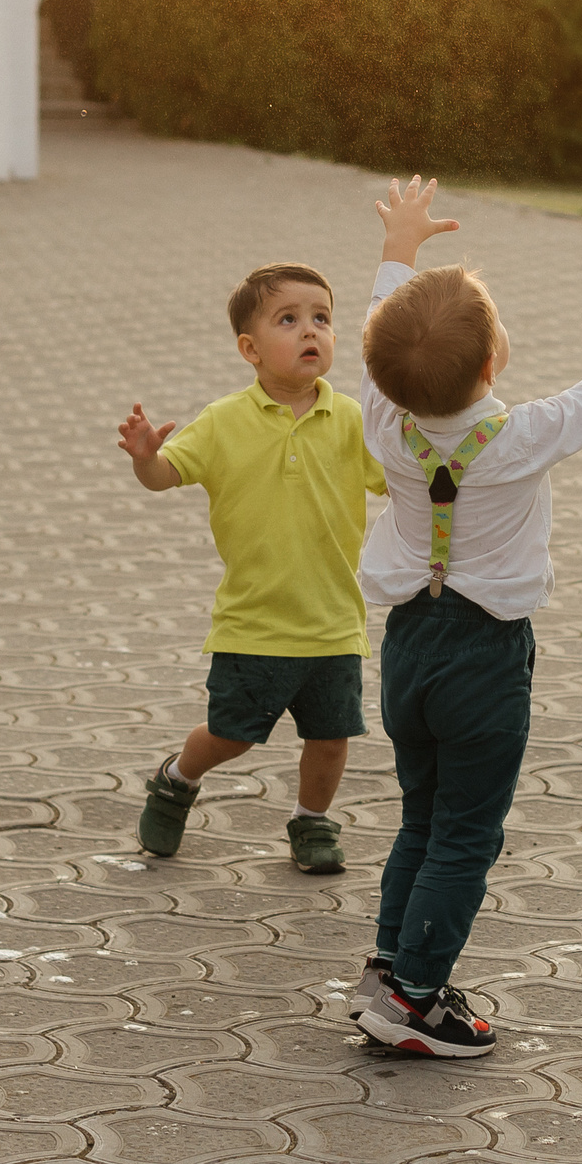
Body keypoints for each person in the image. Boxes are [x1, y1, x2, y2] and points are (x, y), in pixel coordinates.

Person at [351, 176, 582, 1056]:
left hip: (407, 646)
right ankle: (416, 998)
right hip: (482, 657)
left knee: (420, 814)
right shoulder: (517, 437)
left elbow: (377, 327)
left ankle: (389, 967)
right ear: (490, 365)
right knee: (465, 832)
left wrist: (399, 249)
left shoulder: (379, 419)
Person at [114, 262, 386, 875]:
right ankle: (177, 779)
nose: (310, 330)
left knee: (330, 738)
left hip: (333, 619)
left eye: (322, 319)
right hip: (253, 623)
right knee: (231, 735)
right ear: (251, 348)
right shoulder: (223, 420)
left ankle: (311, 821)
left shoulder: (352, 421)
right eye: (288, 320)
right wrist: (144, 458)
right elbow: (164, 477)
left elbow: (399, 480)